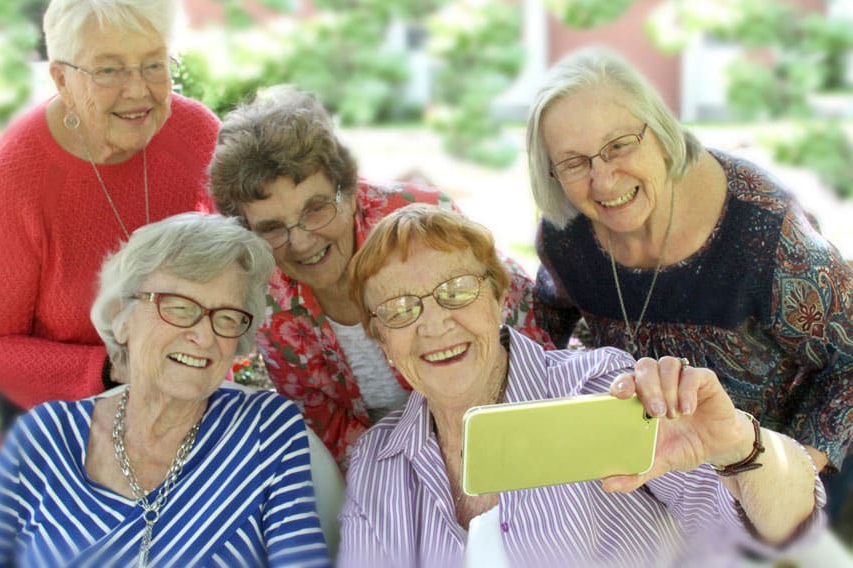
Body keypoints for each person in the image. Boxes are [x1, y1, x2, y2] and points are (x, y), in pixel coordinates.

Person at [338, 203, 825, 567]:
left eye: (457, 291)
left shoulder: (600, 390)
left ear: (497, 300)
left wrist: (739, 444)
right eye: (400, 309)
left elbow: (775, 540)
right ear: (382, 342)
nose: (433, 324)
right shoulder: (378, 463)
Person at [525, 46, 851, 520]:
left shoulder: (763, 230)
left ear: (659, 131)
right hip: (650, 465)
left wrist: (790, 474)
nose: (603, 178)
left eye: (619, 145)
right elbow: (549, 329)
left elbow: (848, 359)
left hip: (768, 458)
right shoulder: (566, 234)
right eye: (574, 163)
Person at [0, 213, 330, 567]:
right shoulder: (46, 435)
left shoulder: (266, 429)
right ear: (122, 318)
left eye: (227, 317)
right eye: (179, 307)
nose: (203, 336)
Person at [208, 84, 552, 467]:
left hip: (504, 424)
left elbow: (522, 341)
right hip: (386, 460)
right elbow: (321, 418)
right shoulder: (264, 293)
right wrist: (404, 473)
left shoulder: (420, 217)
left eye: (316, 209)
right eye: (272, 228)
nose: (302, 242)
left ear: (350, 190)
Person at [0, 0, 218, 413]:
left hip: (191, 392)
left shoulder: (196, 134)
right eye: (109, 70)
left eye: (153, 64)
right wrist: (114, 368)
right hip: (66, 412)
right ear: (61, 80)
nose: (138, 90)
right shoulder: (16, 177)